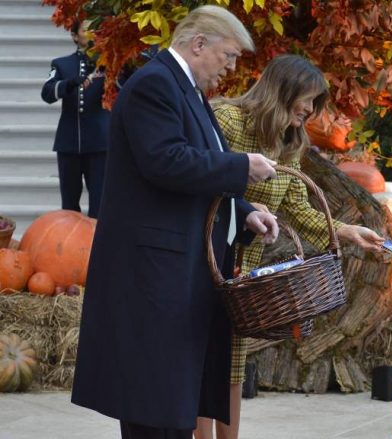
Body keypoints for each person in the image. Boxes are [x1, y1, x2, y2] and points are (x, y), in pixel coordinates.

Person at [70, 6, 281, 438]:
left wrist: (245, 212)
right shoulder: (155, 85)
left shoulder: (185, 90)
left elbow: (198, 169)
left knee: (171, 406)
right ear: (198, 43)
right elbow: (165, 161)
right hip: (154, 276)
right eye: (228, 56)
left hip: (178, 272)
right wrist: (242, 167)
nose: (231, 68)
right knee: (154, 408)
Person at [194, 54, 385, 439]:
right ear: (284, 90)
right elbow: (200, 180)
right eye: (308, 100)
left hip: (245, 273)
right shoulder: (227, 121)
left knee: (232, 365)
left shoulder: (290, 142)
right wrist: (244, 206)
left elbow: (298, 207)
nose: (311, 110)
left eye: (316, 103)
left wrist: (347, 231)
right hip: (203, 259)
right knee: (201, 364)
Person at [41, 19, 109, 218]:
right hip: (69, 142)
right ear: (74, 36)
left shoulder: (110, 63)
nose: (93, 33)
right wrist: (68, 84)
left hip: (100, 144)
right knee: (69, 206)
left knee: (100, 206)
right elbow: (47, 93)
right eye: (87, 29)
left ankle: (96, 248)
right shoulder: (61, 64)